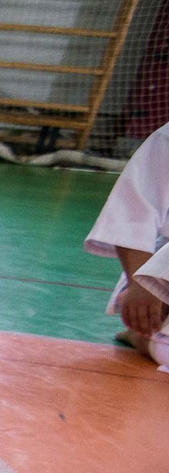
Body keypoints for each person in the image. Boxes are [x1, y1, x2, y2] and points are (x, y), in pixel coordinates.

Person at [84, 123, 169, 366]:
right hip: (161, 269)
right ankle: (146, 337)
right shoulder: (167, 138)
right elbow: (134, 212)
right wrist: (143, 284)